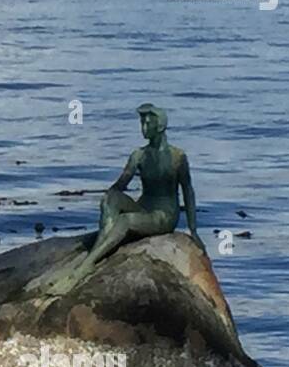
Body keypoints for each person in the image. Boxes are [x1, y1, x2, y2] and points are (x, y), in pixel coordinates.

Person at [38, 104, 204, 296]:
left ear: (159, 126)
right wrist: (108, 199)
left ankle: (87, 264)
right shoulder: (138, 155)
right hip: (143, 208)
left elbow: (188, 191)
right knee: (111, 199)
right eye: (142, 123)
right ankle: (99, 253)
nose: (143, 128)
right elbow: (121, 184)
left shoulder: (177, 157)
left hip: (164, 215)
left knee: (125, 220)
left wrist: (193, 230)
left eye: (147, 124)